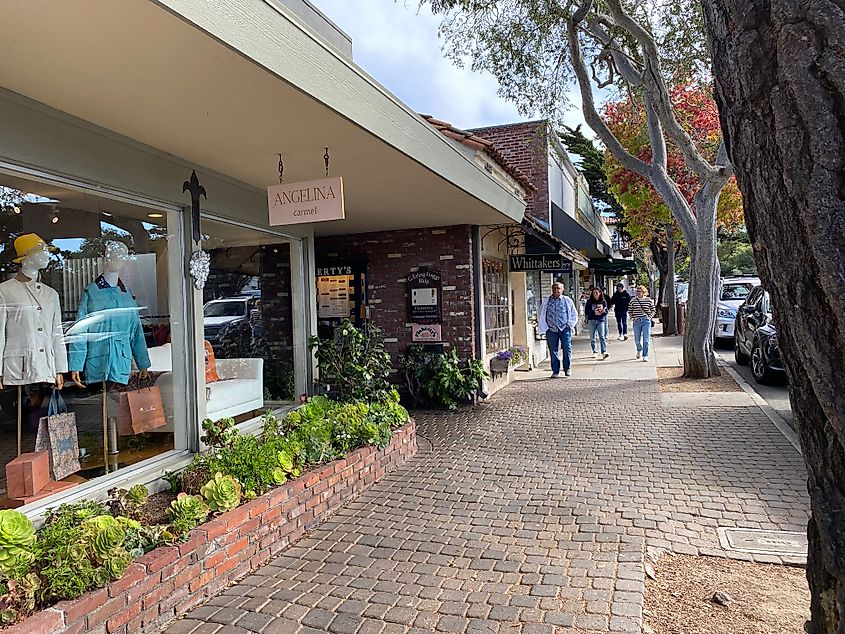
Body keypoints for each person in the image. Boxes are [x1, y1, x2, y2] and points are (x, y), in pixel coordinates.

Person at [538, 282, 578, 378]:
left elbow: (574, 314)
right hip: (551, 330)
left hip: (565, 329)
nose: (556, 290)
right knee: (553, 350)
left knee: (567, 349)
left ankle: (567, 368)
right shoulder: (547, 301)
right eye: (554, 288)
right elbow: (542, 314)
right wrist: (546, 328)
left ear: (562, 290)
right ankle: (555, 371)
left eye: (558, 288)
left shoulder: (567, 300)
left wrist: (569, 324)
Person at [629, 285, 655, 362]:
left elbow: (653, 310)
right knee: (637, 339)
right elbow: (630, 310)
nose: (638, 293)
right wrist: (632, 317)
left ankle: (645, 355)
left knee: (646, 339)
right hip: (637, 321)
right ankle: (639, 349)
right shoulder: (633, 300)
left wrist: (649, 317)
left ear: (643, 292)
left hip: (646, 321)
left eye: (639, 291)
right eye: (637, 291)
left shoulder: (648, 300)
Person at [584, 288, 609, 359]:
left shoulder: (603, 301)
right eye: (594, 293)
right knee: (592, 337)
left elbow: (606, 311)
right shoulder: (589, 302)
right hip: (592, 320)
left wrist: (603, 311)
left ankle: (604, 351)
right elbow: (587, 312)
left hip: (600, 320)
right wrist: (593, 312)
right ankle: (595, 351)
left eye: (597, 293)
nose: (595, 294)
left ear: (600, 293)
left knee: (602, 337)